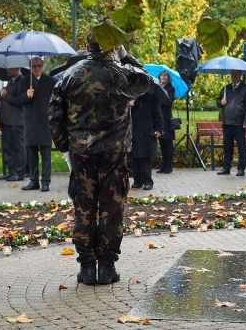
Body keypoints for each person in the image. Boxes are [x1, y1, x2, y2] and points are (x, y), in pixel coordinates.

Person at [48, 33, 152, 286]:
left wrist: (66, 148)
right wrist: (126, 56)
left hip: (81, 153)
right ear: (112, 47)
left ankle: (86, 268)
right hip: (113, 153)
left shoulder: (70, 75)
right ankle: (106, 267)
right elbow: (146, 81)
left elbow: (54, 116)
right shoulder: (121, 73)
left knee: (84, 208)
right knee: (112, 208)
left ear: (87, 47)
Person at [16, 57, 57, 192]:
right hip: (30, 122)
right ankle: (34, 181)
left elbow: (57, 100)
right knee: (31, 153)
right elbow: (18, 101)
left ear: (43, 66)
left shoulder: (50, 81)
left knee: (45, 154)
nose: (37, 69)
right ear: (30, 67)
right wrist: (26, 95)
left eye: (39, 66)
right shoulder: (24, 82)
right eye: (34, 66)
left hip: (45, 122)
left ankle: (45, 182)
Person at [215, 70, 246, 177]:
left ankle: (241, 168)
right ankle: (226, 167)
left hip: (239, 123)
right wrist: (221, 102)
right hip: (227, 121)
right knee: (227, 146)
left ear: (240, 74)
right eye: (232, 73)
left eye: (236, 73)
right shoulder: (226, 88)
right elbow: (218, 102)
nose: (234, 76)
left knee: (241, 146)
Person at [0, 67, 28, 181]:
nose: (7, 70)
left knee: (19, 147)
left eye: (9, 68)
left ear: (17, 68)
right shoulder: (10, 82)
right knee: (9, 147)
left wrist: (6, 95)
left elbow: (20, 101)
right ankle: (12, 170)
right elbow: (1, 103)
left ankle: (19, 172)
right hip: (6, 120)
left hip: (16, 120)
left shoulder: (22, 82)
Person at [130, 92, 164, 190]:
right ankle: (137, 181)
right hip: (133, 131)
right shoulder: (130, 98)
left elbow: (158, 115)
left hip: (146, 131)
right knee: (134, 157)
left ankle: (147, 181)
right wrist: (130, 105)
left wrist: (159, 129)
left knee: (145, 158)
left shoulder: (151, 98)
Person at [157, 71, 176, 174]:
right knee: (162, 143)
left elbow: (167, 102)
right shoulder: (157, 88)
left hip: (166, 119)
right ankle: (163, 165)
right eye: (161, 76)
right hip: (159, 119)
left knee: (168, 144)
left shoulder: (170, 89)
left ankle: (169, 166)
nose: (163, 77)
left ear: (168, 78)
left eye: (165, 76)